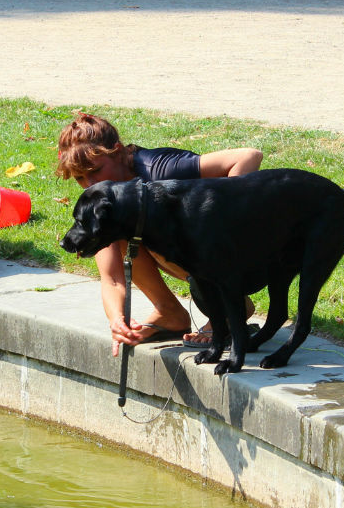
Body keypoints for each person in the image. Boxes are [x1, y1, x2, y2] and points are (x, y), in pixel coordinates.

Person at [55, 111, 261, 353]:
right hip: (192, 254)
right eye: (80, 177)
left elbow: (248, 157)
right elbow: (111, 277)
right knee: (119, 232)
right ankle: (168, 311)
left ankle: (229, 309)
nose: (90, 184)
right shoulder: (107, 200)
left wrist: (222, 224)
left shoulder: (161, 170)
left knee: (153, 235)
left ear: (119, 152)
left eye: (96, 171)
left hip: (237, 255)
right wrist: (116, 320)